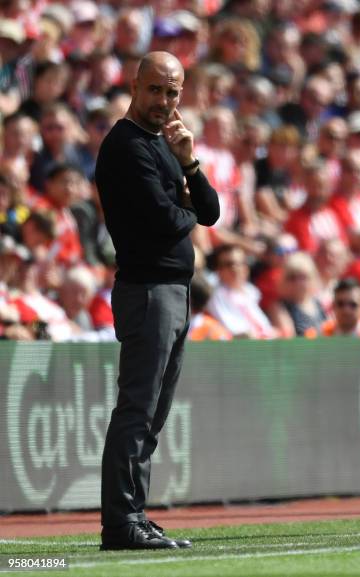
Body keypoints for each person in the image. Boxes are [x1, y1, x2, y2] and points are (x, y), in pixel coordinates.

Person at [95, 51, 220, 550]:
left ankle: (135, 513)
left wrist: (189, 161)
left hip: (172, 289)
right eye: (155, 90)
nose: (163, 101)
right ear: (134, 85)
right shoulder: (126, 146)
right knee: (138, 410)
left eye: (172, 92)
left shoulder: (166, 144)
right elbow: (167, 221)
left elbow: (207, 211)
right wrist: (184, 204)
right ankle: (121, 522)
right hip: (147, 290)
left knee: (154, 413)